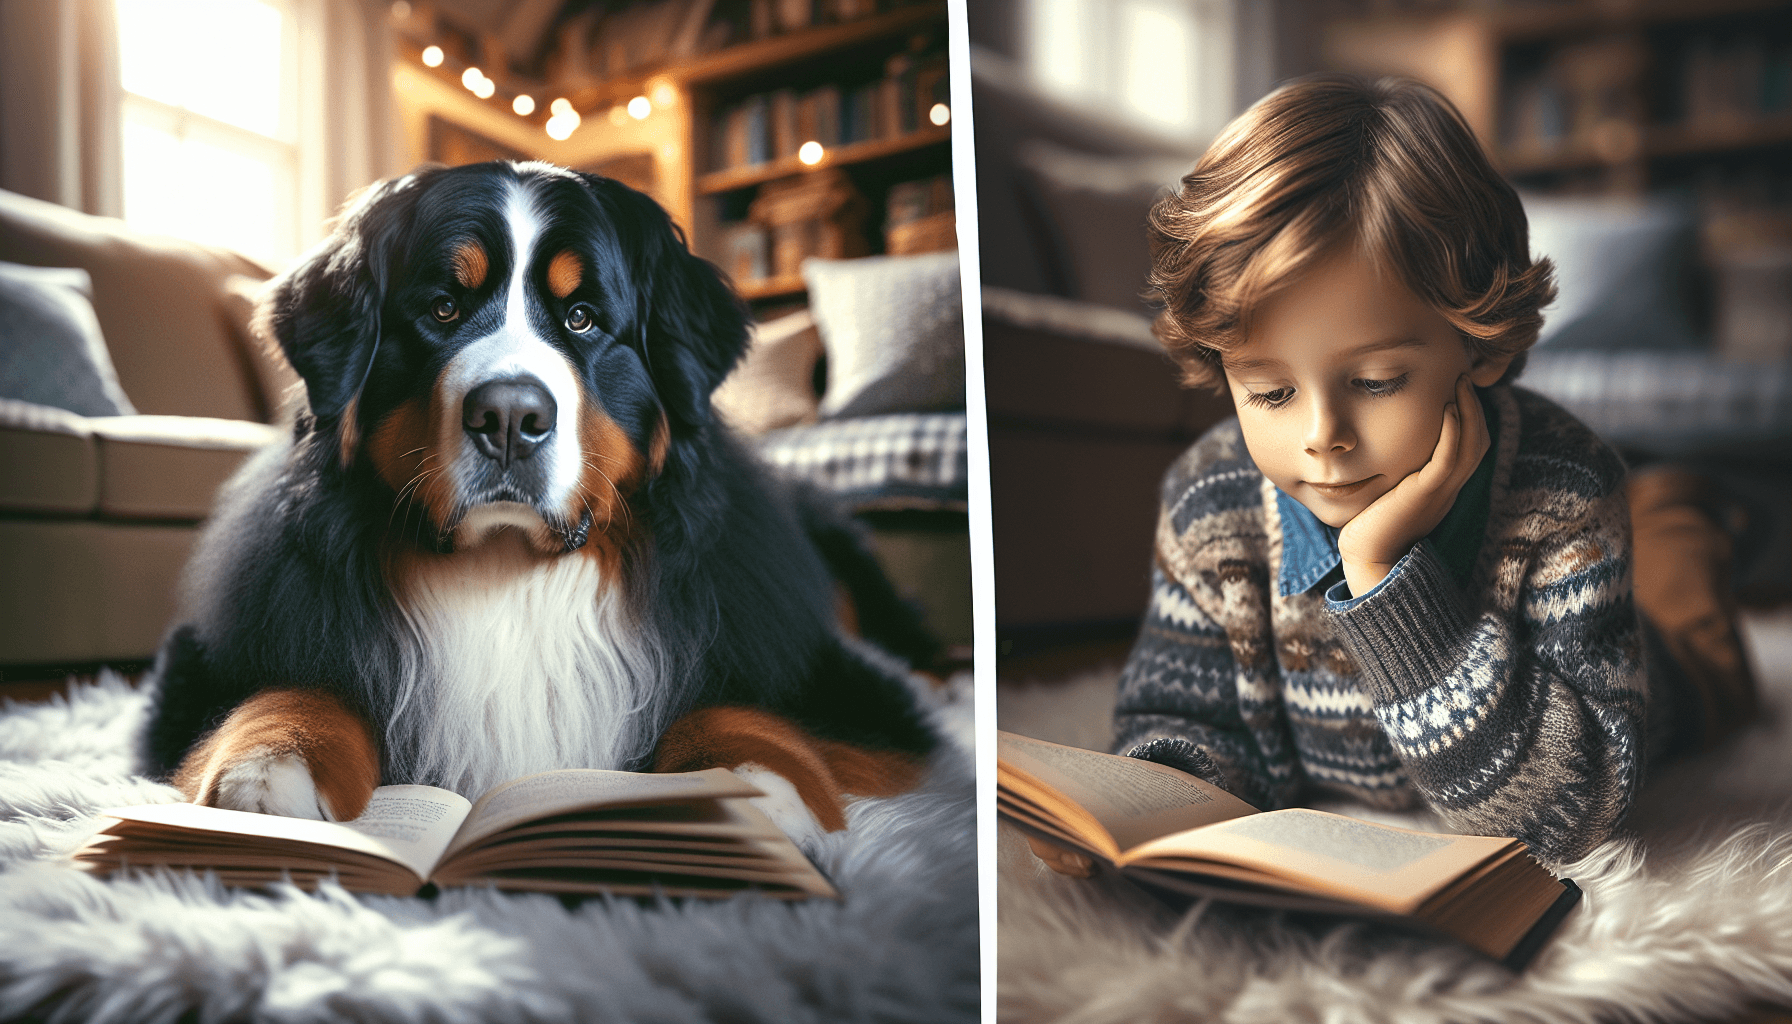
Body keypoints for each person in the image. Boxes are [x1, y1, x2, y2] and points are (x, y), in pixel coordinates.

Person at [1068, 74, 1753, 870]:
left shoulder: (1564, 488)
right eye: (1271, 391)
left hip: (1672, 678)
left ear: (1480, 345)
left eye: (1376, 381)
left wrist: (1384, 576)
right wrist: (1151, 808)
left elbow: (1573, 817)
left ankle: (1678, 509)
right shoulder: (1210, 501)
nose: (1323, 437)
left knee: (1700, 631)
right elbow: (1185, 719)